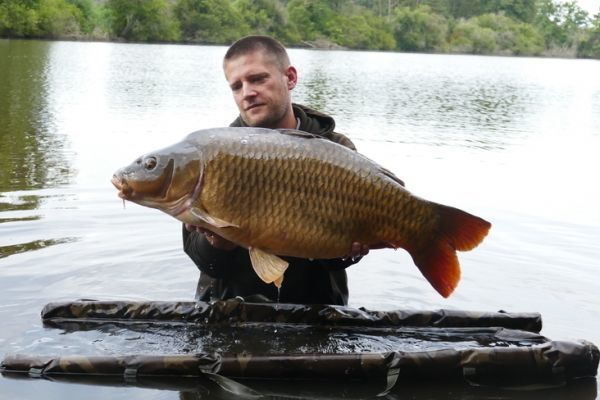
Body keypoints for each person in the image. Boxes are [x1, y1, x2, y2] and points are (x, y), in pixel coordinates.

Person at [183, 35, 368, 306]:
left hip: (316, 309)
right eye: (236, 86)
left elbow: (341, 260)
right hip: (233, 307)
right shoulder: (214, 156)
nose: (247, 92)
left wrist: (348, 252)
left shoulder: (335, 148)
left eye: (257, 79)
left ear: (290, 78)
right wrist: (218, 245)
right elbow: (205, 263)